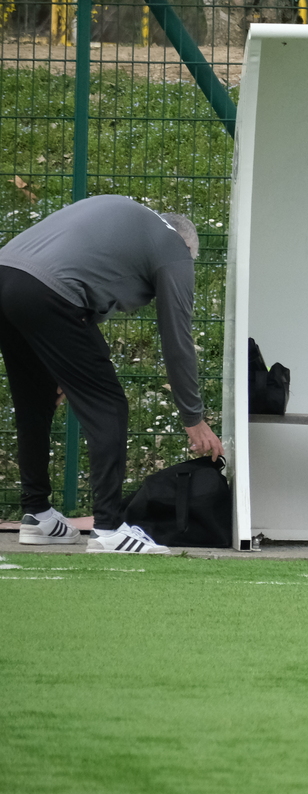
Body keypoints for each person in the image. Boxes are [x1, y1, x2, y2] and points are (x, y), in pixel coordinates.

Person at [0, 195, 223, 554]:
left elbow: (83, 305)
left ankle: (37, 514)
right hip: (50, 291)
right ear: (186, 246)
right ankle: (108, 528)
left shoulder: (130, 227)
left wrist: (65, 367)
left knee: (34, 402)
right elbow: (177, 339)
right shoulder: (173, 247)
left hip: (7, 276)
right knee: (110, 407)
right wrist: (193, 417)